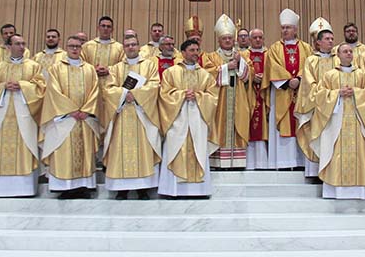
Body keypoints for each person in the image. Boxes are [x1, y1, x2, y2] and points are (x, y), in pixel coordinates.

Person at [310, 43, 365, 199]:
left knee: (360, 153)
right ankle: (335, 191)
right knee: (335, 152)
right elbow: (319, 96)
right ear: (337, 55)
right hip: (335, 123)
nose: (348, 54)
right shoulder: (329, 75)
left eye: (350, 51)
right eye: (344, 51)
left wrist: (356, 93)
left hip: (358, 121)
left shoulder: (362, 75)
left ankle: (361, 192)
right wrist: (337, 93)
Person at [0, 34, 46, 197]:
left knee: (25, 146)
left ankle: (25, 189)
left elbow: (40, 87)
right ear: (9, 47)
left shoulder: (33, 66)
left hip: (25, 115)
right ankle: (0, 189)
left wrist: (23, 86)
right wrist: (3, 87)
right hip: (2, 115)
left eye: (23, 43)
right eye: (17, 44)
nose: (22, 46)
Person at [102, 35, 162, 200]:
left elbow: (154, 85)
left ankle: (143, 189)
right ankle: (122, 190)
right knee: (120, 151)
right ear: (123, 48)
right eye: (127, 45)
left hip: (142, 114)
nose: (131, 47)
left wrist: (135, 95)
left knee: (143, 149)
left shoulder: (149, 66)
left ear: (139, 46)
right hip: (122, 115)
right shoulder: (116, 69)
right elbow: (108, 88)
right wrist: (123, 94)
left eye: (134, 44)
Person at [40, 36, 100, 199]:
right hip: (65, 119)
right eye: (71, 46)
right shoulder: (56, 68)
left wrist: (86, 110)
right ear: (66, 48)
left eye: (78, 46)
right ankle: (65, 188)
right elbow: (53, 91)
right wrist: (71, 111)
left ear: (81, 49)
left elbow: (95, 91)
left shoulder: (89, 69)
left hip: (84, 119)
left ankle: (83, 187)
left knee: (84, 153)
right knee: (64, 153)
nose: (74, 49)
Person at [158, 39, 218, 197]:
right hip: (177, 118)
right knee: (175, 149)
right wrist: (182, 94)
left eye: (197, 50)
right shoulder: (171, 72)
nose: (195, 53)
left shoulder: (205, 75)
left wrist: (198, 96)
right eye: (191, 50)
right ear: (183, 53)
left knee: (198, 148)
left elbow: (213, 97)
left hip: (198, 118)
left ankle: (200, 190)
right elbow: (164, 94)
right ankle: (172, 190)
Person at [261, 8, 314, 169]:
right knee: (284, 123)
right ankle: (282, 162)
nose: (285, 30)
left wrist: (298, 78)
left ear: (295, 29)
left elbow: (309, 65)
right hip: (281, 92)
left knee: (300, 123)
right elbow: (272, 66)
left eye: (288, 28)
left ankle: (299, 162)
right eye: (283, 28)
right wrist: (288, 82)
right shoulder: (274, 48)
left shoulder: (306, 48)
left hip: (301, 92)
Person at [202, 14, 253, 169]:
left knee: (239, 123)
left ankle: (237, 162)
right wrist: (225, 68)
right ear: (219, 40)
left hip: (239, 98)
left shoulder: (242, 55)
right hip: (221, 100)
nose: (228, 41)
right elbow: (207, 75)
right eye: (224, 39)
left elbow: (249, 74)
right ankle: (218, 162)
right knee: (219, 126)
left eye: (230, 38)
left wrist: (240, 64)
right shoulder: (211, 56)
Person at [295, 18, 337, 179]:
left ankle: (331, 171)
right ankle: (314, 172)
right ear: (318, 43)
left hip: (334, 107)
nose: (331, 42)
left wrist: (333, 97)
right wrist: (324, 95)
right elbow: (308, 84)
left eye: (332, 39)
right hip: (317, 107)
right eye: (327, 39)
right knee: (316, 136)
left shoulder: (338, 59)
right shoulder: (311, 60)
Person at [81, 16, 124, 123]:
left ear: (112, 29)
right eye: (103, 26)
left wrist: (109, 69)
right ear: (98, 28)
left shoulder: (119, 48)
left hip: (111, 89)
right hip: (92, 88)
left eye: (108, 26)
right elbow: (80, 64)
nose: (105, 28)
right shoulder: (87, 46)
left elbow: (124, 66)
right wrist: (93, 69)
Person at [246, 28, 268, 170]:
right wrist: (253, 76)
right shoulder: (244, 54)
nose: (258, 40)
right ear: (250, 40)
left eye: (260, 37)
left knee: (264, 124)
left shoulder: (270, 54)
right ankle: (249, 162)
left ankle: (263, 162)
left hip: (265, 93)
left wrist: (264, 78)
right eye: (255, 37)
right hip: (249, 94)